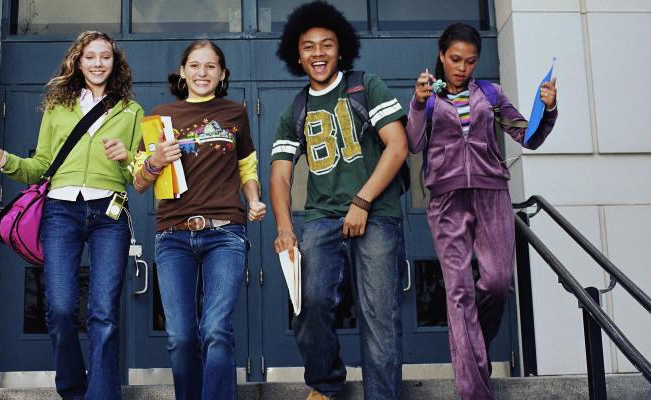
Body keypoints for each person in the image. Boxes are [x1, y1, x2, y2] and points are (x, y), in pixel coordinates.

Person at [0, 31, 143, 399]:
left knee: (104, 312)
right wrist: (4, 159)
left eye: (105, 57)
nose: (98, 63)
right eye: (91, 57)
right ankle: (72, 390)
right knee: (59, 308)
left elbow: (140, 174)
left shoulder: (131, 111)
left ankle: (101, 394)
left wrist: (129, 158)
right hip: (61, 210)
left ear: (114, 63)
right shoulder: (58, 107)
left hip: (109, 212)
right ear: (78, 61)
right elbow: (40, 166)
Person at [405, 22, 558, 400]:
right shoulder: (429, 96)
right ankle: (475, 391)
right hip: (446, 199)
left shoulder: (490, 94)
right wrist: (419, 103)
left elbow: (528, 135)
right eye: (455, 59)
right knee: (458, 292)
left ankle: (475, 349)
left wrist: (549, 107)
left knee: (497, 282)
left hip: (491, 193)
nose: (462, 68)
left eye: (470, 61)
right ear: (441, 56)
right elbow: (412, 141)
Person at [269, 2, 409, 399]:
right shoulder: (295, 109)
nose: (318, 53)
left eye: (326, 45)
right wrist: (284, 227)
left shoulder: (367, 86)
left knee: (379, 317)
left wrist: (362, 202)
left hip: (376, 212)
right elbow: (280, 175)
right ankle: (327, 382)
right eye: (309, 46)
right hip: (321, 216)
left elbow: (397, 147)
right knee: (308, 301)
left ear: (340, 49)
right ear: (298, 55)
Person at [132, 39, 266, 400]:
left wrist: (253, 199)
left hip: (225, 233)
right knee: (180, 338)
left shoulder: (235, 112)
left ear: (222, 74)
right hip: (173, 236)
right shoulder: (159, 117)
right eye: (195, 65)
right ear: (182, 72)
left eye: (210, 66)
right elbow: (140, 182)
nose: (202, 72)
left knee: (216, 330)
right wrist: (155, 159)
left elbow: (246, 165)